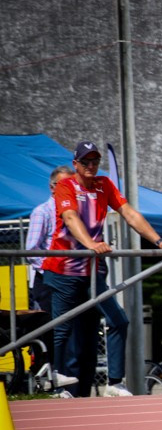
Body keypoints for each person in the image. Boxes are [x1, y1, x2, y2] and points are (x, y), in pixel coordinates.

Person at [43, 141, 162, 398]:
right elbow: (70, 217)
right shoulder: (66, 185)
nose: (91, 166)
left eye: (95, 161)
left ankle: (114, 383)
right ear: (76, 165)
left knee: (118, 321)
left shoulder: (104, 184)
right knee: (63, 327)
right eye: (86, 162)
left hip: (93, 272)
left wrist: (159, 241)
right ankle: (56, 381)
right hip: (63, 269)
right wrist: (91, 244)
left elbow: (129, 213)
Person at [23, 165, 79, 390]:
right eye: (64, 185)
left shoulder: (72, 213)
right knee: (53, 327)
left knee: (69, 327)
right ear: (52, 187)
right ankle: (50, 378)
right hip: (47, 280)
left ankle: (63, 379)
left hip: (68, 278)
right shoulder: (42, 212)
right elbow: (31, 250)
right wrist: (49, 270)